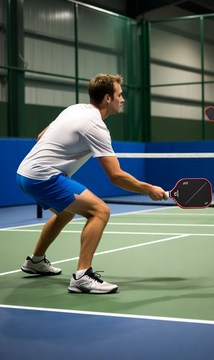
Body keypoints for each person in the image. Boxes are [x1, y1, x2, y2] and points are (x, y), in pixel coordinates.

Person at [16, 73, 168, 294]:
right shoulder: (95, 126)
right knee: (100, 211)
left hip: (24, 173)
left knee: (65, 212)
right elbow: (116, 176)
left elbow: (41, 135)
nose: (122, 100)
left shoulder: (75, 109)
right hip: (43, 177)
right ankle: (82, 276)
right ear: (108, 98)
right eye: (120, 95)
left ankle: (35, 261)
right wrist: (149, 189)